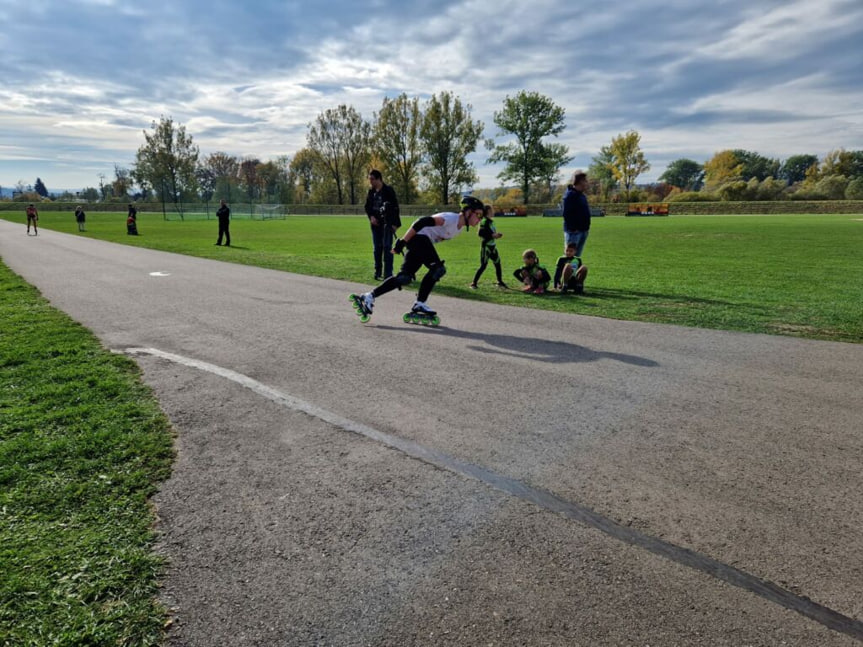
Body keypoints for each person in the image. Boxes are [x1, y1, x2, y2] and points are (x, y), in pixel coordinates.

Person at [352, 196, 485, 320]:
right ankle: (420, 303)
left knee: (404, 278)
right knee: (438, 269)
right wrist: (403, 241)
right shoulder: (450, 219)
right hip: (418, 239)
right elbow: (421, 222)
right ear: (467, 212)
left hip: (420, 243)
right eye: (478, 214)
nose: (480, 219)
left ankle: (369, 296)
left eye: (481, 216)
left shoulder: (459, 228)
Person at [364, 169, 401, 279]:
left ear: (379, 179)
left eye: (372, 179)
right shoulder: (371, 192)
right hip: (375, 226)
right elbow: (367, 207)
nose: (370, 181)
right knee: (377, 249)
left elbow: (395, 208)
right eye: (369, 179)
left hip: (387, 224)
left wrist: (395, 224)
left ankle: (388, 274)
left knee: (387, 247)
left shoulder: (388, 190)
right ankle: (378, 272)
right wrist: (371, 217)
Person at [469, 204, 507, 289]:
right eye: (492, 210)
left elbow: (490, 233)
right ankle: (473, 283)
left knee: (497, 263)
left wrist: (495, 235)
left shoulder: (491, 221)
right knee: (483, 265)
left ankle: (500, 282)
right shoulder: (484, 221)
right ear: (488, 211)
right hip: (486, 247)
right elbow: (480, 233)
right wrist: (493, 235)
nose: (493, 211)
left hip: (492, 246)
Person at [562, 170, 591, 256]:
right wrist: (573, 229)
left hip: (583, 230)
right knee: (569, 257)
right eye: (585, 180)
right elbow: (567, 214)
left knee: (576, 259)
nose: (586, 183)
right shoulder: (570, 195)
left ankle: (575, 270)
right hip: (574, 232)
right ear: (580, 181)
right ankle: (563, 270)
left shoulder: (581, 195)